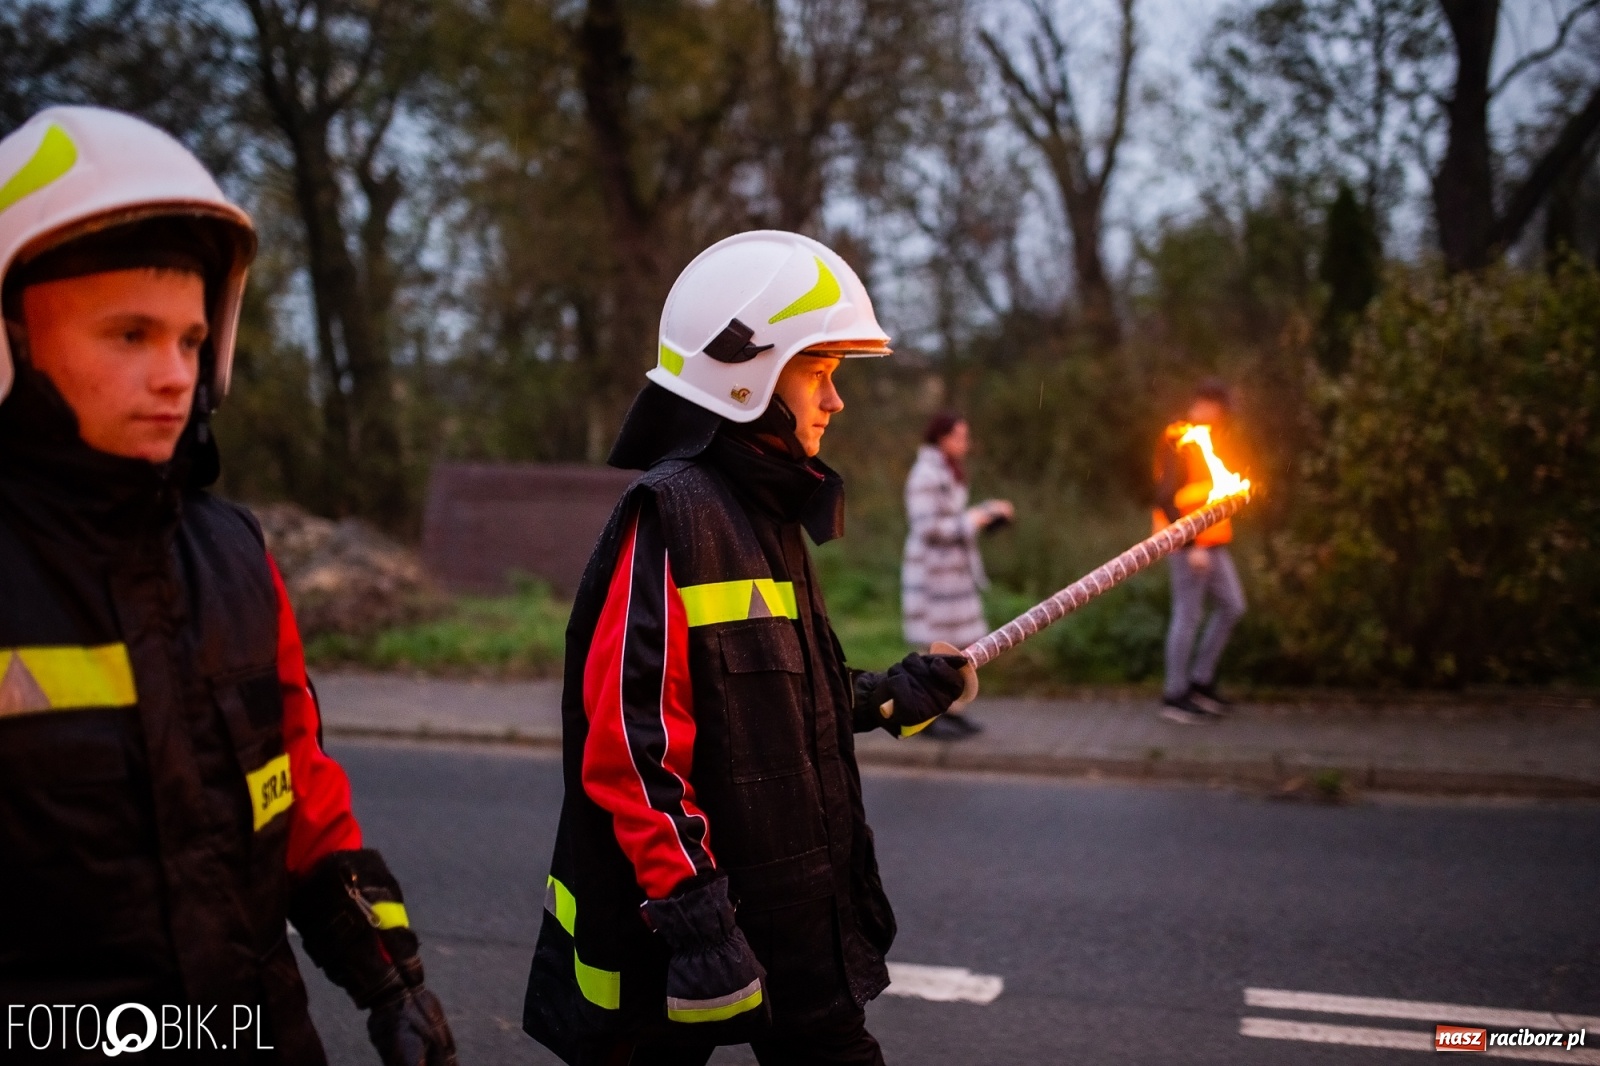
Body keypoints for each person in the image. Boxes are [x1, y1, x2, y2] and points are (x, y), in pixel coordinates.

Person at [0, 107, 455, 1064]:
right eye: (129, 335)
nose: (174, 377)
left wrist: (391, 979)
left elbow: (300, 798)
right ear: (11, 339)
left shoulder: (235, 557)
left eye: (189, 340)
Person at [522, 231, 975, 1066]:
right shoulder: (669, 520)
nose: (835, 400)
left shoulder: (769, 515)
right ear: (746, 374)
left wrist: (891, 696)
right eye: (819, 371)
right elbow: (632, 751)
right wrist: (699, 929)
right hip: (680, 935)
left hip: (792, 918)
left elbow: (773, 698)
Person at [900, 412, 1012, 739]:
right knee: (936, 648)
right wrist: (977, 519)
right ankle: (925, 715)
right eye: (960, 437)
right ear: (942, 438)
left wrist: (986, 513)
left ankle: (952, 708)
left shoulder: (946, 470)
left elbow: (953, 518)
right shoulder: (924, 475)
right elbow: (928, 528)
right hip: (933, 575)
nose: (966, 444)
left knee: (960, 648)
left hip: (954, 574)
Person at [1153, 379, 1247, 725]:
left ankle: (1200, 682)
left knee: (1232, 606)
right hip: (1186, 543)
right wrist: (1189, 543)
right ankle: (1174, 695)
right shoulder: (1182, 438)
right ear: (1205, 403)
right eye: (1220, 409)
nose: (1223, 417)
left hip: (1213, 542)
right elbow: (1164, 497)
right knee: (1188, 615)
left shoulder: (1209, 438)